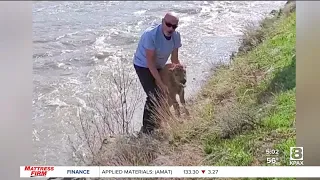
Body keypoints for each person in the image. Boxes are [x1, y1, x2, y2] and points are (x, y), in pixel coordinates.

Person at [133, 12, 182, 135]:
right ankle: (147, 130)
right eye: (168, 24)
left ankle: (159, 121)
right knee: (154, 94)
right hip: (143, 65)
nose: (171, 28)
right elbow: (150, 63)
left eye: (174, 26)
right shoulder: (151, 35)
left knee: (166, 92)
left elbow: (174, 60)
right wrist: (160, 82)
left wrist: (180, 73)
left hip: (159, 65)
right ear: (162, 21)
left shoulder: (176, 36)